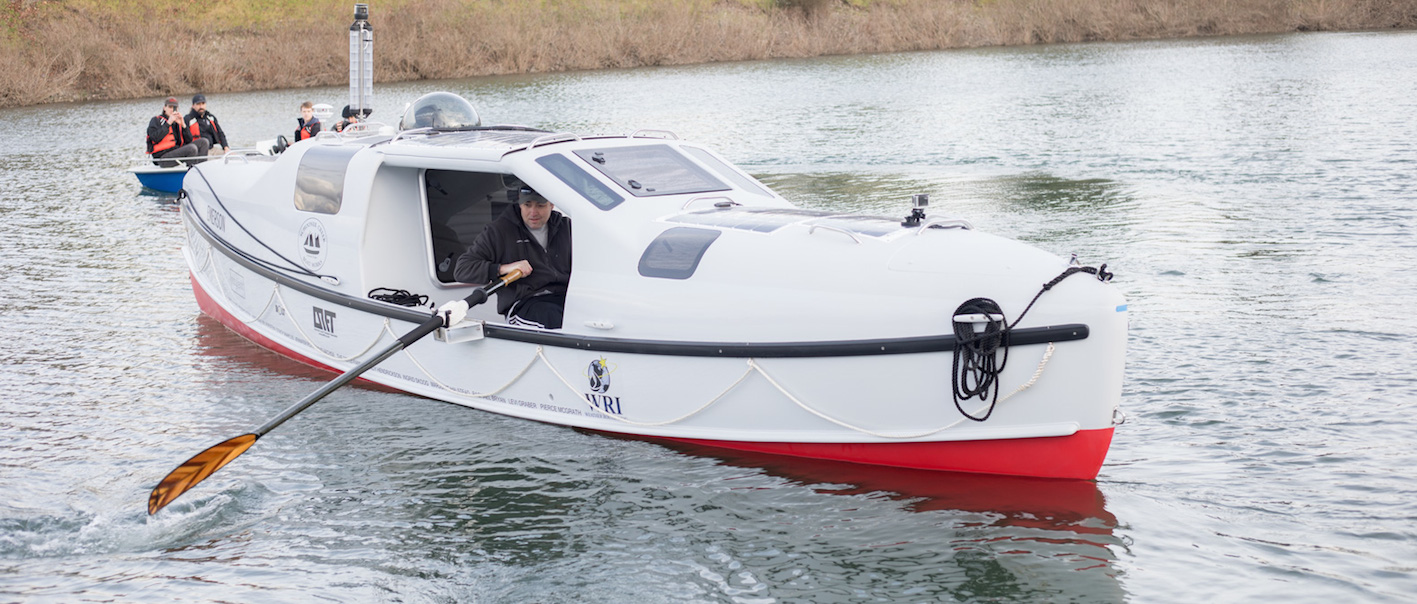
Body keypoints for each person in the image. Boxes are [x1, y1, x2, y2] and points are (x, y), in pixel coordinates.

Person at [444, 188, 572, 329]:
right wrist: (504, 269)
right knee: (553, 319)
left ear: (552, 204)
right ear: (519, 203)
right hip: (524, 303)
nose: (533, 212)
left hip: (564, 298)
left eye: (540, 206)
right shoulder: (499, 231)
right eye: (527, 205)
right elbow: (462, 269)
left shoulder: (567, 227)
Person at [146, 97, 209, 167]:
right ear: (164, 108)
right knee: (191, 148)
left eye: (175, 108)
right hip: (163, 157)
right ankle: (192, 171)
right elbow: (154, 137)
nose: (172, 110)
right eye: (170, 107)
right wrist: (168, 123)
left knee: (204, 142)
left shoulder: (177, 122)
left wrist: (183, 125)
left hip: (176, 152)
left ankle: (201, 168)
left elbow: (189, 140)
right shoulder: (156, 120)